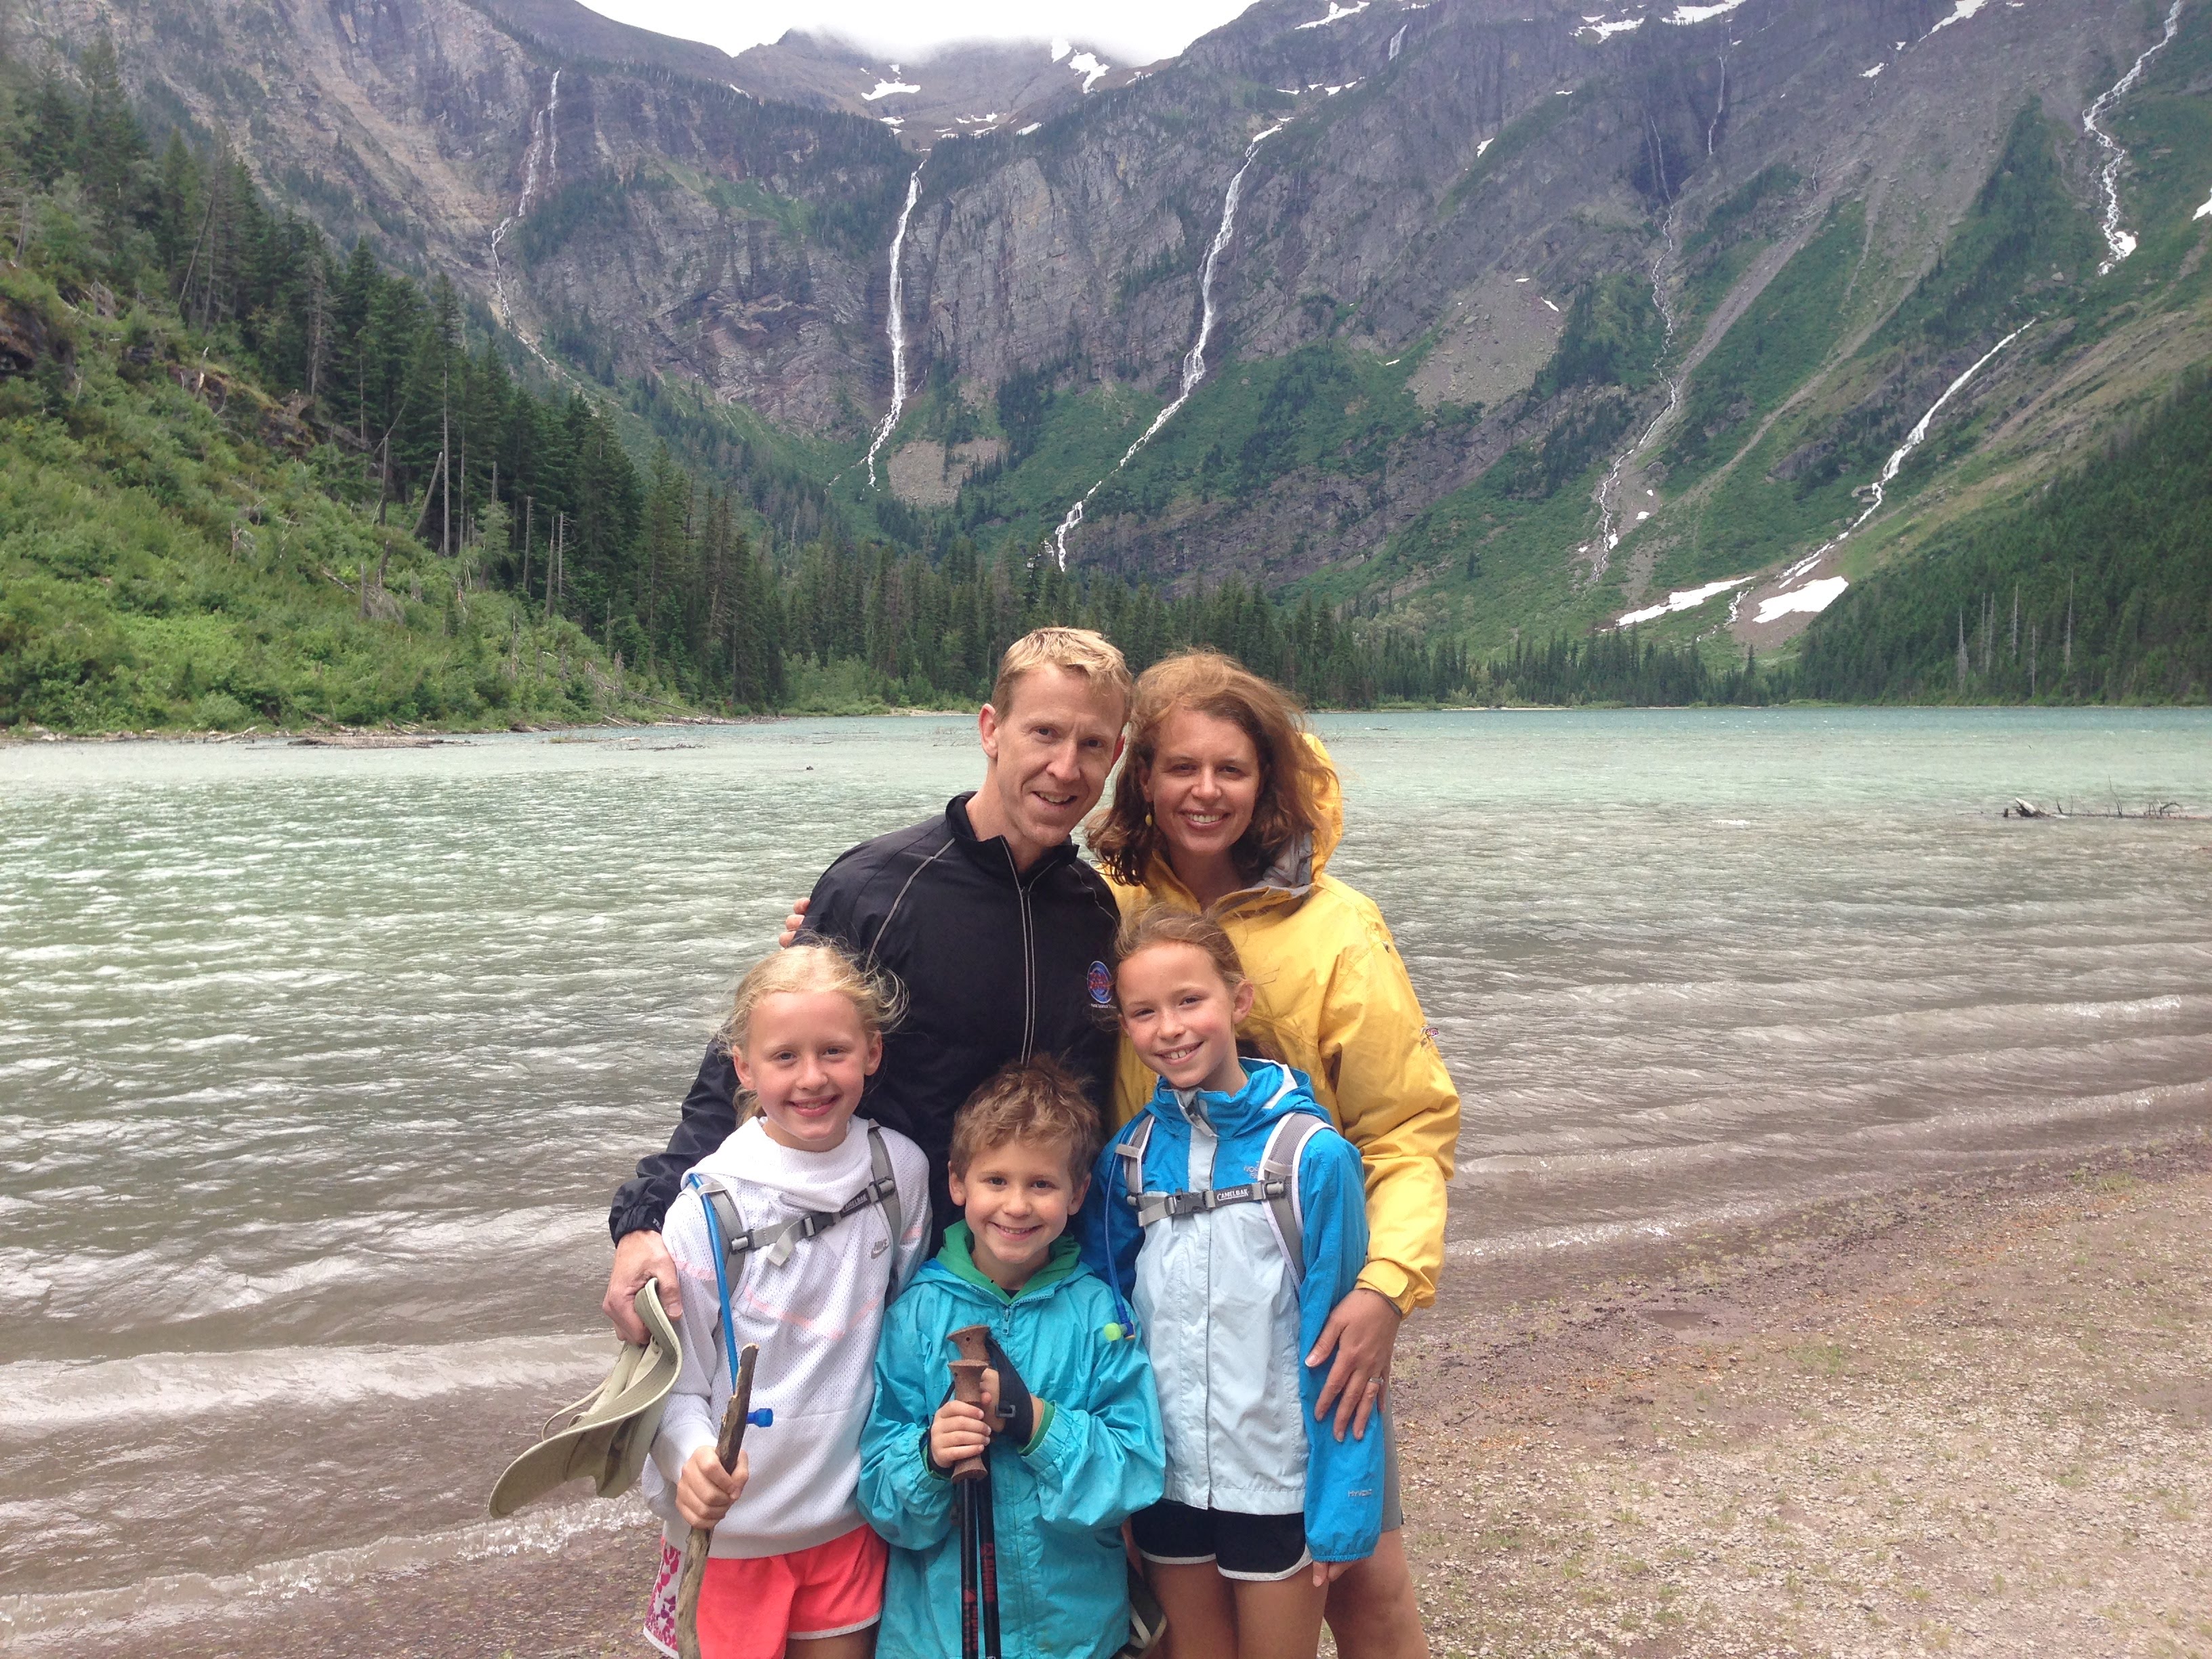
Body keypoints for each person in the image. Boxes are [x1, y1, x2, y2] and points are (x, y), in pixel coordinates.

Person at [603, 628, 1134, 1345]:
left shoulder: (1095, 910)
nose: (1065, 767)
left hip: (1050, 1284)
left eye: (1093, 744)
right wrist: (646, 1222)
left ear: (1117, 754)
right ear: (991, 729)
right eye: (1044, 732)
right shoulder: (878, 889)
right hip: (890, 1278)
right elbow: (754, 1063)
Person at [1085, 650, 1459, 1659]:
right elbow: (1015, 990)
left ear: (1270, 782)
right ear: (1144, 779)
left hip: (1304, 1293)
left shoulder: (1339, 928)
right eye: (1180, 768)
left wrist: (1385, 1290)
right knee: (1169, 1584)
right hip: (1162, 1298)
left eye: (1233, 770)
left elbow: (1407, 1129)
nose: (1205, 793)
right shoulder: (1101, 912)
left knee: (1365, 1580)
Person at [1084, 908, 1381, 1659]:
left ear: (1239, 1001)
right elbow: (1103, 1315)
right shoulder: (1128, 1158)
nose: (1171, 1028)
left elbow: (1345, 1358)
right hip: (1165, 1477)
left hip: (1277, 1477)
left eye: (1190, 1001)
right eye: (1144, 1012)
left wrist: (1345, 1504)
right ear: (1124, 1027)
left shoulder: (1315, 1158)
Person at [641, 942, 932, 1659]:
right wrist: (692, 1461)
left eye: (834, 1051)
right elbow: (669, 1383)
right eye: (784, 1058)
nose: (811, 1079)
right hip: (730, 1532)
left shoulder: (901, 1171)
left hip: (848, 1520)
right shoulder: (707, 1204)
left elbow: (906, 1330)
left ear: (872, 1052)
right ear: (743, 1067)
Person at [859, 1057, 1165, 1659]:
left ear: (1078, 1193)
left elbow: (1134, 1470)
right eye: (996, 1180)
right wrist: (929, 1457)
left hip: (1074, 1634)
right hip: (939, 1637)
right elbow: (881, 1498)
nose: (1017, 1206)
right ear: (956, 1183)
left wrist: (1034, 1422)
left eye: (1041, 1184)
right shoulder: (916, 1313)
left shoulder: (1099, 1313)